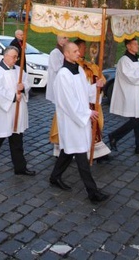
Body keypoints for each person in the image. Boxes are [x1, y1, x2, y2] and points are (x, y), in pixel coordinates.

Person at [49, 42, 109, 202]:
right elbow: (68, 102)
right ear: (66, 54)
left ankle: (54, 177)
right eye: (74, 51)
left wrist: (97, 86)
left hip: (79, 118)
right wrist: (87, 113)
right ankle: (93, 192)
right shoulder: (63, 75)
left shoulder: (80, 70)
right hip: (71, 121)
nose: (78, 53)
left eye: (78, 51)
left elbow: (85, 91)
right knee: (80, 155)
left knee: (68, 151)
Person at [0, 46, 35, 175]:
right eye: (13, 57)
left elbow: (27, 84)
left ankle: (20, 167)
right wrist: (12, 97)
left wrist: (23, 87)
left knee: (17, 140)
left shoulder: (19, 70)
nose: (15, 60)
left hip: (17, 110)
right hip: (3, 111)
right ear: (5, 56)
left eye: (17, 57)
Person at [109, 38, 139, 156]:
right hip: (130, 93)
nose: (137, 46)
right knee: (136, 120)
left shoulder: (137, 59)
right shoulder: (124, 60)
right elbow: (131, 77)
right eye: (135, 44)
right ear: (128, 46)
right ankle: (114, 135)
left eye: (137, 44)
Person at [74, 38, 111, 163]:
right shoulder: (75, 67)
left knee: (96, 126)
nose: (85, 49)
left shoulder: (88, 64)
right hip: (81, 103)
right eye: (83, 47)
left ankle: (96, 152)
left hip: (90, 99)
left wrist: (96, 76)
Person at [46, 35, 69, 156]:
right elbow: (57, 68)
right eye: (65, 38)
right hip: (58, 87)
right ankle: (58, 143)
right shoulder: (55, 53)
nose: (67, 40)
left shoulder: (64, 51)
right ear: (59, 40)